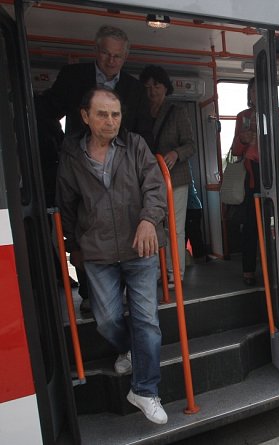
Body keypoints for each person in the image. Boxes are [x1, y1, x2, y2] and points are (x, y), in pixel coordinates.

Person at [56, 87, 168, 424]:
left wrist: (149, 219)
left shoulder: (135, 146)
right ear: (85, 117)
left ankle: (145, 390)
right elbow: (67, 205)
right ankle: (129, 347)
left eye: (115, 114)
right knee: (106, 320)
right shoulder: (72, 157)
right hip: (97, 250)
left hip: (140, 247)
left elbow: (154, 187)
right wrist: (73, 246)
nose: (110, 121)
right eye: (102, 114)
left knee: (147, 319)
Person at [37, 24, 153, 314]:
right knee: (86, 227)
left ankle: (123, 297)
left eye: (117, 56)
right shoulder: (72, 77)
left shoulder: (135, 89)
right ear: (95, 51)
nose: (111, 61)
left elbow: (143, 133)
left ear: (125, 58)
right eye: (106, 53)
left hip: (124, 170)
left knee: (124, 229)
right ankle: (91, 293)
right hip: (81, 166)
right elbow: (46, 110)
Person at [139, 65, 196, 288]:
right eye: (148, 86)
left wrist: (175, 153)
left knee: (175, 227)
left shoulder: (177, 112)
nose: (152, 91)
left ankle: (175, 273)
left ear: (166, 88)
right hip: (147, 180)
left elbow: (191, 145)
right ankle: (156, 271)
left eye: (157, 85)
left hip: (176, 178)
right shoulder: (139, 112)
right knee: (151, 224)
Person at [230, 78, 259, 286]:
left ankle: (276, 266)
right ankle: (249, 270)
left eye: (260, 90)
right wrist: (243, 139)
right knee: (250, 226)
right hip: (252, 177)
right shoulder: (243, 117)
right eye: (253, 91)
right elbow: (235, 151)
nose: (256, 95)